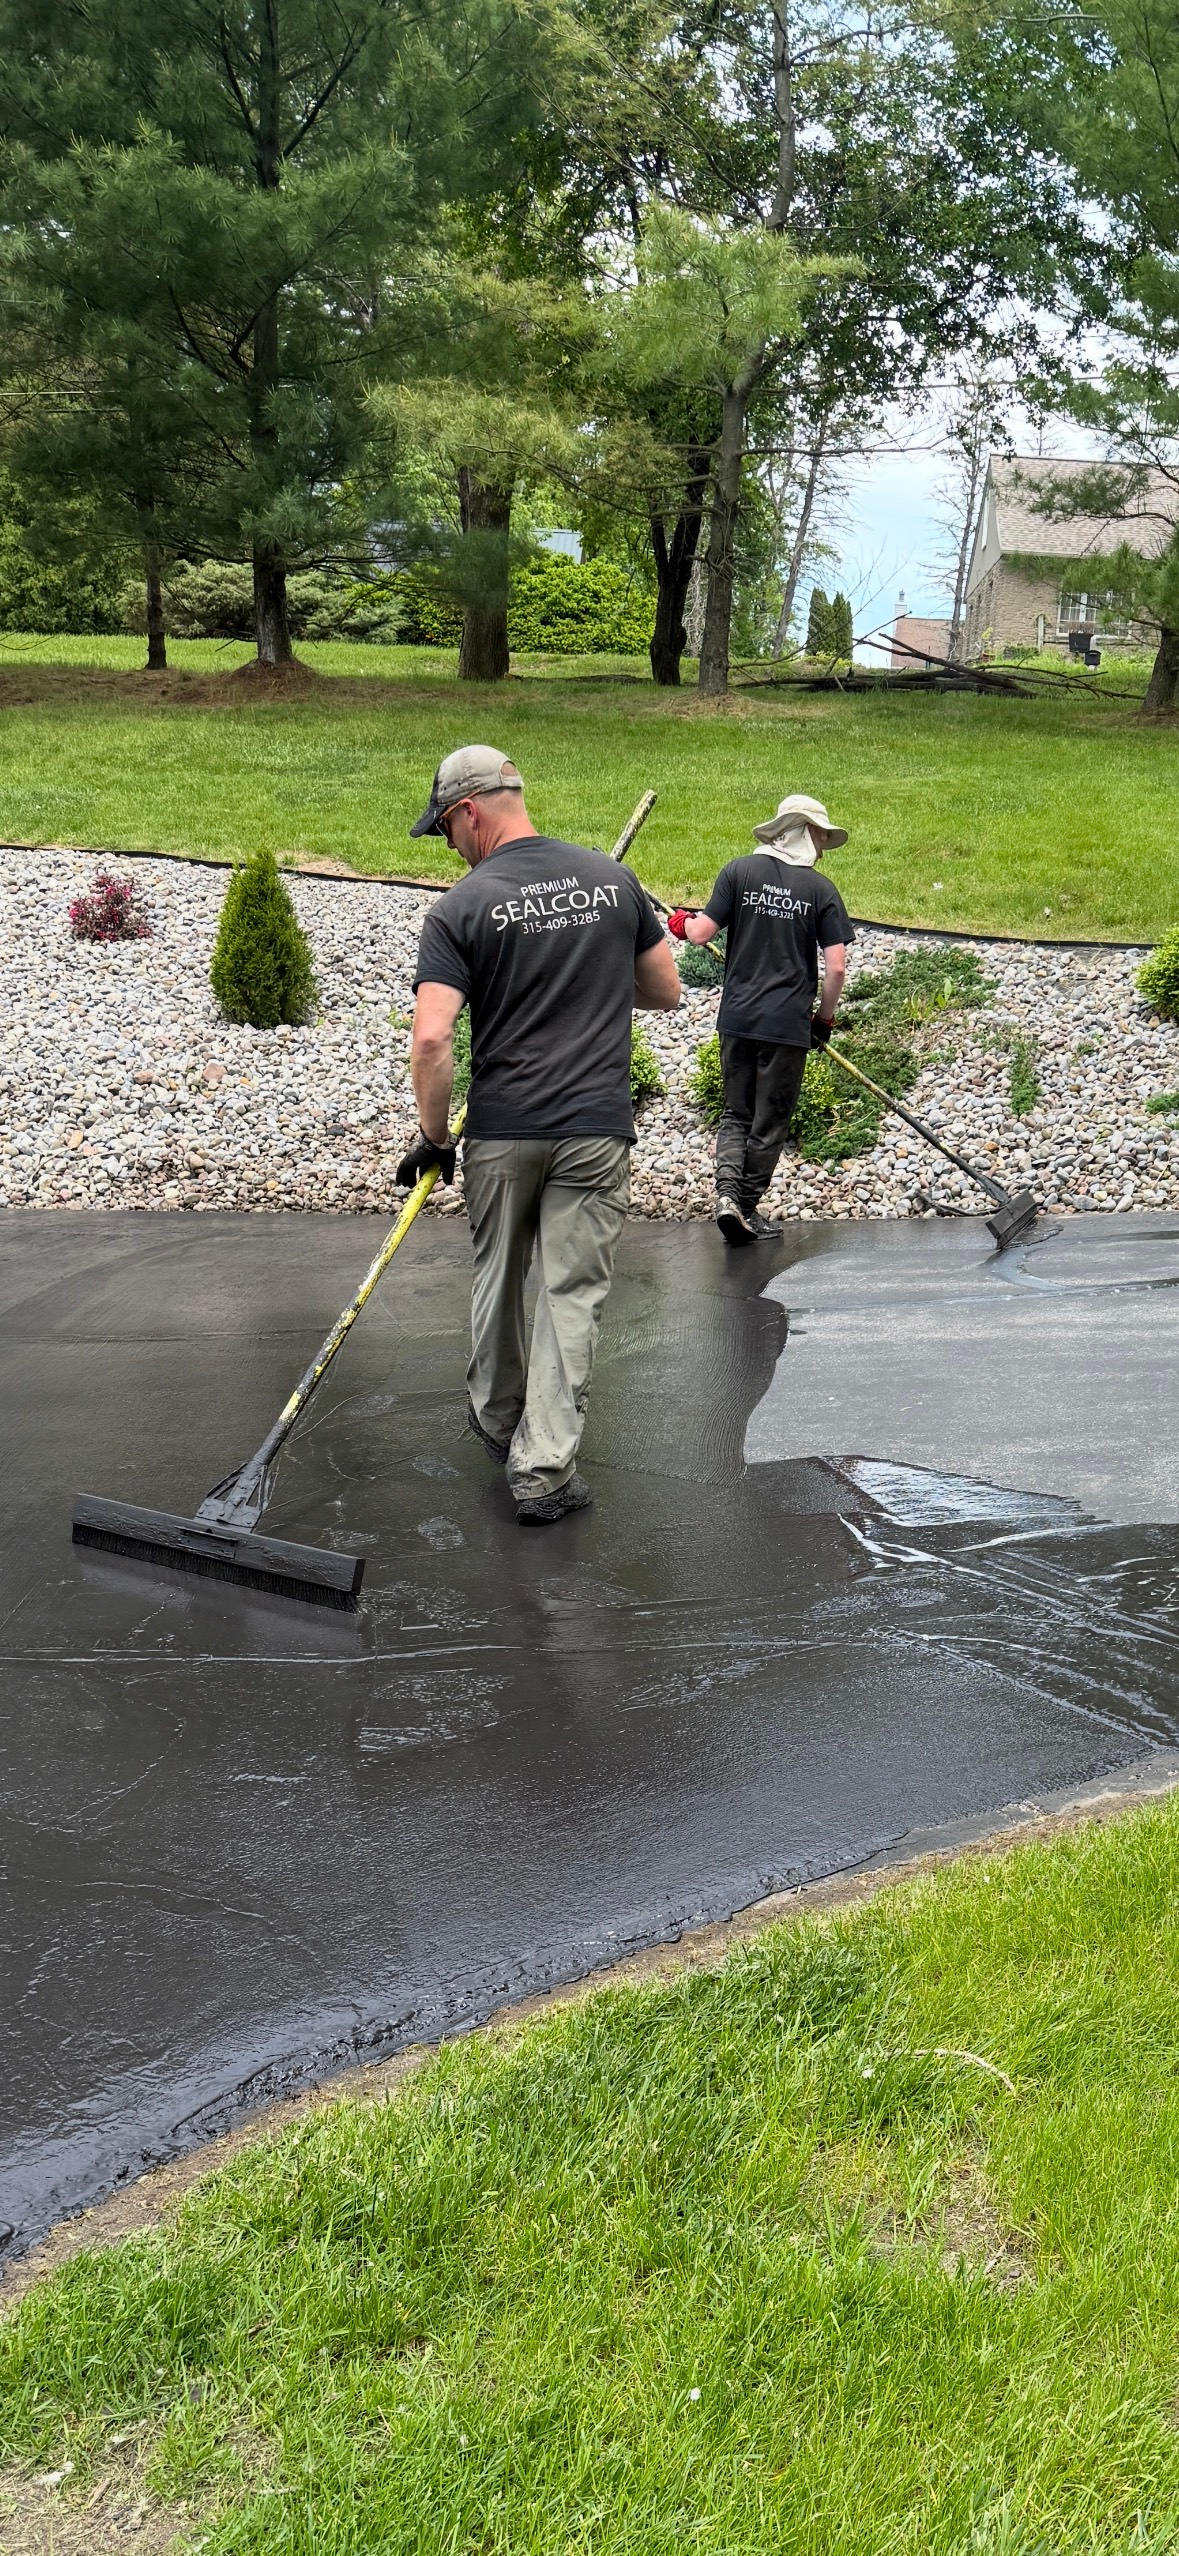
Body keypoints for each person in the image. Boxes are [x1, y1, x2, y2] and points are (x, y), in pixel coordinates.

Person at [398, 744, 681, 1523]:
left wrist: (434, 1139)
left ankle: (497, 1423)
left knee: (500, 1276)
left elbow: (431, 1040)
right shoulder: (612, 881)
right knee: (569, 1297)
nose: (448, 847)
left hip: (502, 1129)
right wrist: (589, 975)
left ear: (469, 810)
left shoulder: (458, 908)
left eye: (444, 831)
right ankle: (544, 1471)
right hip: (592, 1129)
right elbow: (664, 991)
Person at [667, 793, 852, 1245]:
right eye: (821, 838)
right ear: (806, 833)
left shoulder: (738, 872)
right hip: (786, 1025)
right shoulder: (821, 891)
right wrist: (823, 1021)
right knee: (769, 1120)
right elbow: (837, 968)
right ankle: (747, 1206)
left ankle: (728, 1197)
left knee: (736, 1113)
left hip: (738, 1018)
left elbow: (701, 933)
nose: (823, 848)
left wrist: (680, 924)